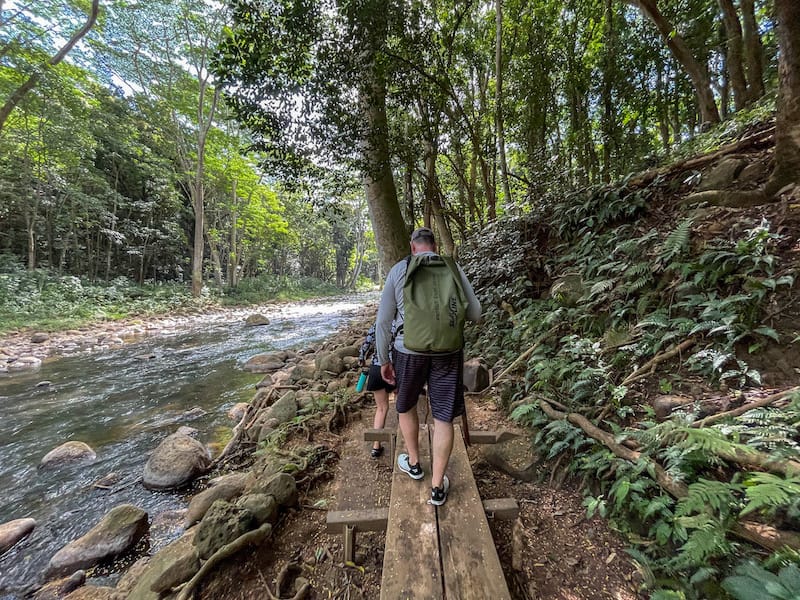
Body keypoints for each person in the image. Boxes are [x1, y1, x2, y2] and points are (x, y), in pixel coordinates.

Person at [375, 226, 481, 505]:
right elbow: (476, 313)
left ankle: (414, 463)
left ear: (412, 247)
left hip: (407, 351)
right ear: (434, 245)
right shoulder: (452, 267)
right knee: (444, 416)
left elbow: (384, 321)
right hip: (448, 352)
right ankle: (437, 487)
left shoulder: (399, 270)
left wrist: (383, 359)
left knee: (406, 405)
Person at [357, 321, 397, 458]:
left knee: (381, 408)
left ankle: (376, 447)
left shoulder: (377, 324)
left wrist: (361, 358)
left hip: (376, 368)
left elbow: (366, 344)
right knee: (402, 407)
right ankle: (404, 437)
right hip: (395, 369)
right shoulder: (401, 324)